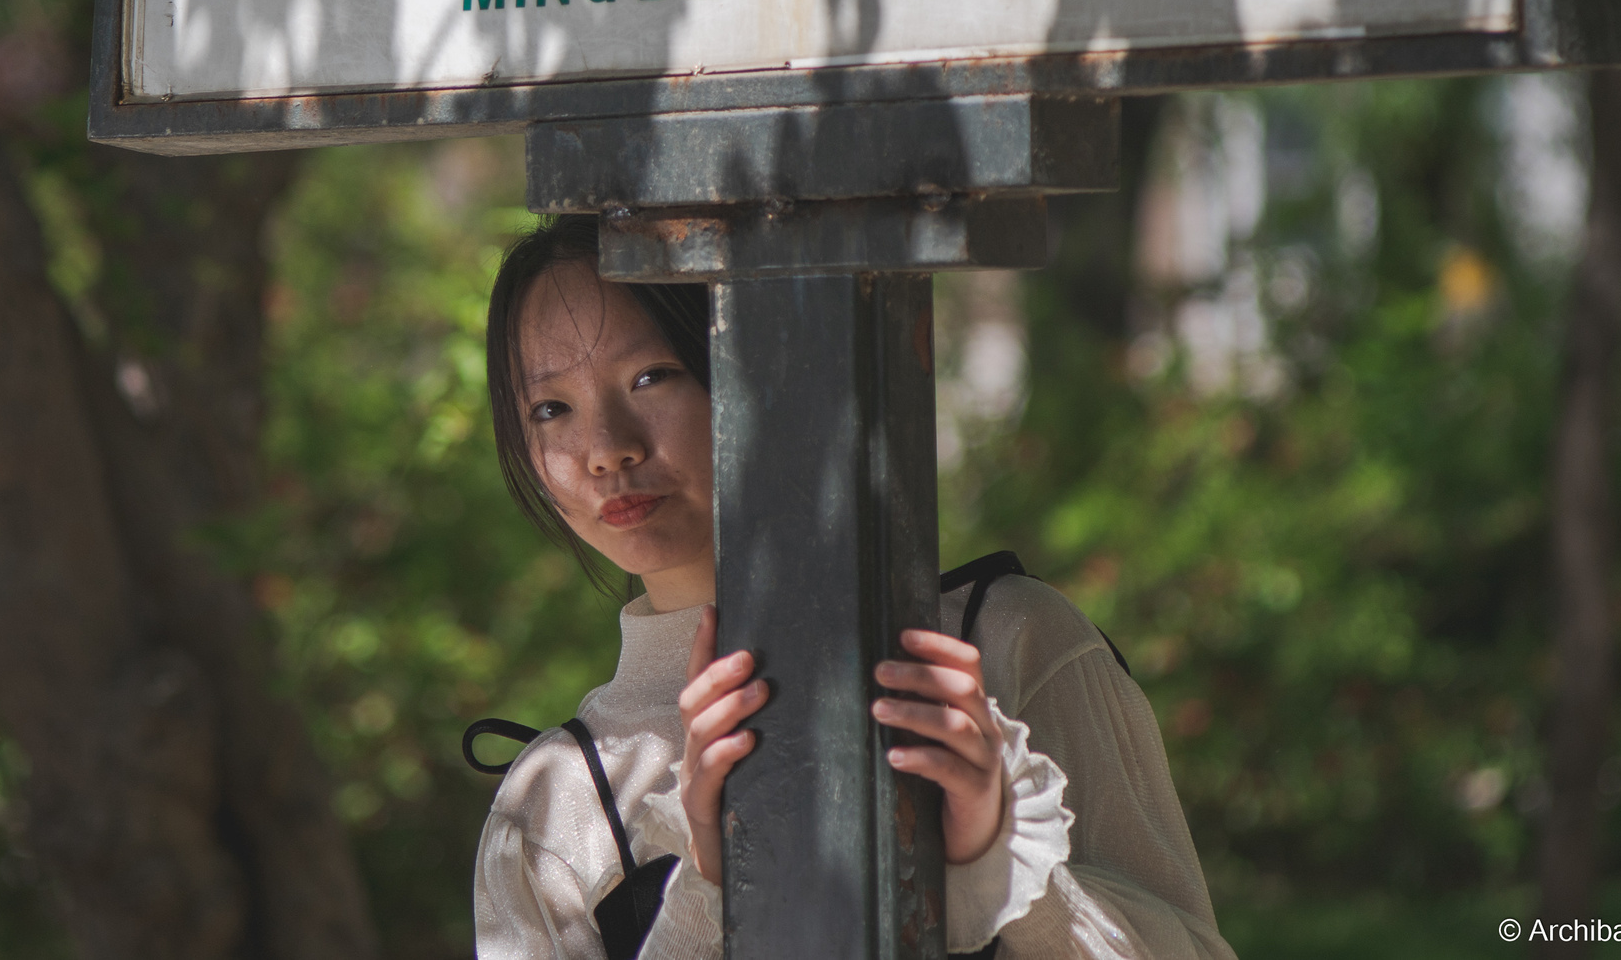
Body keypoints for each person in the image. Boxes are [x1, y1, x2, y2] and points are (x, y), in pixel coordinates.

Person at [471, 215, 1235, 960]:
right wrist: (712, 880)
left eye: (651, 374)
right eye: (551, 408)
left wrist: (999, 857)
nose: (607, 447)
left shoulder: (1010, 643)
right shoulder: (557, 802)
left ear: (755, 370)